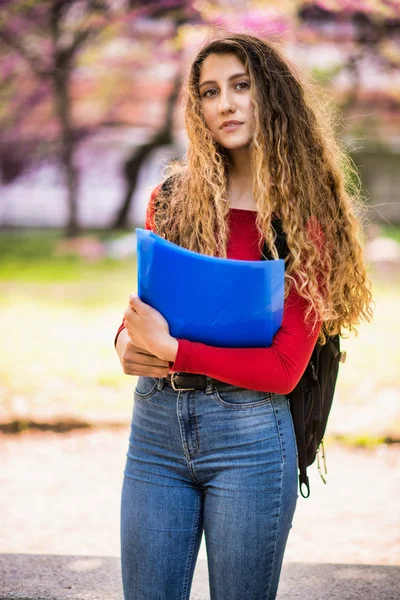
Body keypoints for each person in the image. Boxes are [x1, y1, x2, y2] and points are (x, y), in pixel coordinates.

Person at [114, 33, 372, 600]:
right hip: (155, 431)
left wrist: (175, 350)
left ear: (271, 96)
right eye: (210, 92)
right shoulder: (172, 198)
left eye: (241, 86)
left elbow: (283, 367)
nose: (225, 104)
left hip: (251, 441)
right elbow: (147, 310)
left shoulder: (306, 219)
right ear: (197, 106)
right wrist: (126, 344)